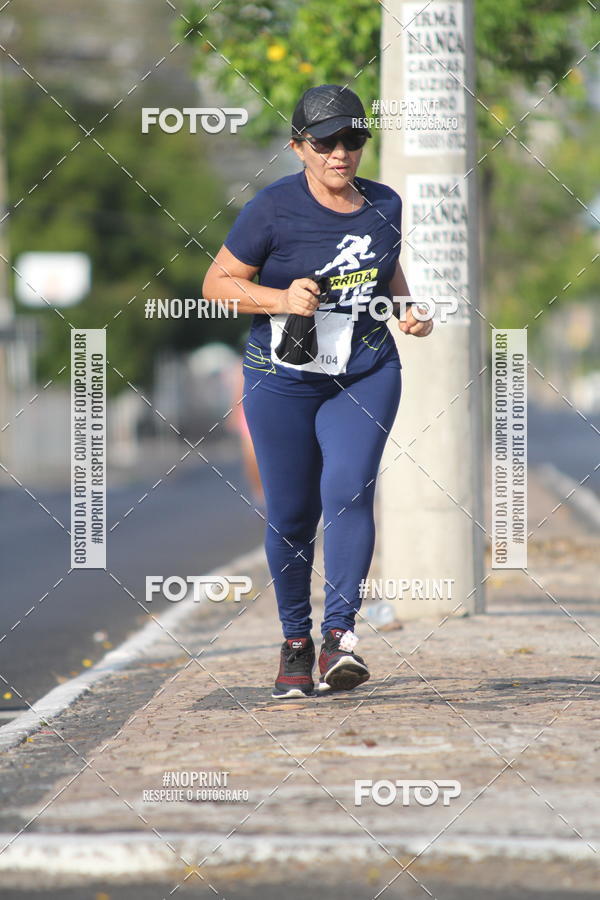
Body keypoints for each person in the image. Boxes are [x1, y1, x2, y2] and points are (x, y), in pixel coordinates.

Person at [202, 84, 432, 699]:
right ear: (298, 146)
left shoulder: (385, 203)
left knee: (349, 492)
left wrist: (408, 310)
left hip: (365, 370)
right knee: (292, 515)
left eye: (353, 139)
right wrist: (279, 299)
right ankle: (296, 643)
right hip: (283, 379)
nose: (341, 153)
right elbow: (217, 284)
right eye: (326, 142)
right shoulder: (271, 210)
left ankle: (339, 641)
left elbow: (388, 270)